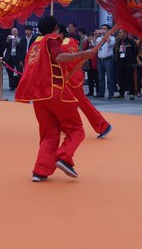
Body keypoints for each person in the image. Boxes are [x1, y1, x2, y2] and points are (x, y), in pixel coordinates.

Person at [15, 15, 95, 181]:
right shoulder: (52, 39)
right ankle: (64, 157)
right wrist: (83, 54)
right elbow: (58, 57)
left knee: (49, 133)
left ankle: (40, 170)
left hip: (39, 96)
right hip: (54, 91)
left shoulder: (35, 45)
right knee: (76, 129)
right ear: (56, 29)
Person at [58, 24, 111, 138]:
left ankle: (103, 125)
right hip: (74, 76)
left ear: (60, 33)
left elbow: (66, 62)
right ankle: (66, 126)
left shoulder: (62, 47)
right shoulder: (71, 41)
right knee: (66, 103)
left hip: (70, 77)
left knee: (82, 103)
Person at [114, 29, 138, 99]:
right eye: (119, 33)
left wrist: (131, 58)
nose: (119, 34)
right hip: (120, 63)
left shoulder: (131, 41)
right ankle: (121, 93)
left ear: (125, 33)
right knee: (121, 79)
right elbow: (116, 51)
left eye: (121, 33)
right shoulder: (118, 42)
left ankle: (132, 93)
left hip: (129, 63)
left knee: (130, 78)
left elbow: (136, 51)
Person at [95, 24, 115, 98]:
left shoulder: (112, 38)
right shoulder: (99, 39)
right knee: (100, 77)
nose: (103, 30)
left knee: (109, 77)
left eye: (105, 28)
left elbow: (110, 43)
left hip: (108, 60)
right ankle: (101, 93)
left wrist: (106, 34)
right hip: (100, 60)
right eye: (102, 28)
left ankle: (110, 93)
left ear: (108, 30)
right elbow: (93, 43)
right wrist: (95, 35)